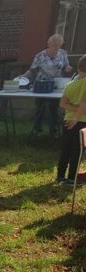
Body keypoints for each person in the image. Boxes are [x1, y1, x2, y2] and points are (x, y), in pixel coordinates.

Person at [22, 34, 73, 137]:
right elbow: (32, 70)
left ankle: (53, 131)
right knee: (40, 107)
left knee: (54, 108)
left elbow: (66, 65)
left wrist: (68, 68)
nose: (56, 47)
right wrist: (21, 78)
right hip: (42, 85)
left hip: (56, 86)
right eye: (54, 45)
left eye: (59, 45)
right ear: (48, 44)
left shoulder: (63, 54)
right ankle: (37, 130)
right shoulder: (40, 56)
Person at [56, 54, 86, 185]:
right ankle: (72, 178)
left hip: (67, 119)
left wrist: (73, 109)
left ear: (78, 68)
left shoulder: (70, 84)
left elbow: (62, 104)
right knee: (77, 151)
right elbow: (84, 104)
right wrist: (77, 117)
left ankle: (60, 175)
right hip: (81, 121)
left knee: (65, 149)